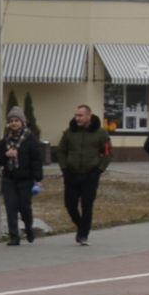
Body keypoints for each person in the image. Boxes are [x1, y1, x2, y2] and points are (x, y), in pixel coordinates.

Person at [53, 103, 111, 245]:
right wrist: (64, 168)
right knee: (70, 205)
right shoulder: (69, 132)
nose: (77, 118)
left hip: (90, 175)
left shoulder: (100, 133)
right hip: (71, 174)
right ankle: (82, 227)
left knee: (87, 204)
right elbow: (61, 151)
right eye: (76, 115)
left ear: (88, 116)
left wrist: (99, 170)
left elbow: (108, 153)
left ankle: (83, 235)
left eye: (80, 115)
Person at [0, 107, 44, 245]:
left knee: (24, 208)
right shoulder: (5, 141)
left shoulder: (30, 139)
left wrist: (38, 178)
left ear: (22, 122)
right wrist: (5, 155)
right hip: (9, 179)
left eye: (16, 120)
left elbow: (37, 159)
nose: (14, 123)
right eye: (11, 121)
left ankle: (28, 228)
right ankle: (14, 237)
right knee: (11, 207)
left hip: (25, 179)